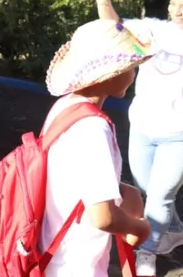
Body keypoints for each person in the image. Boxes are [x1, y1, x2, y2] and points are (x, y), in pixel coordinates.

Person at [41, 19, 153, 276]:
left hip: (51, 251)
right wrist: (139, 228)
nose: (133, 73)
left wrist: (123, 191)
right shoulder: (93, 128)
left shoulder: (65, 107)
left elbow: (71, 174)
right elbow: (104, 217)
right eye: (130, 67)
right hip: (76, 265)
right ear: (110, 73)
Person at [96, 0, 183, 275]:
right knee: (146, 188)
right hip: (143, 128)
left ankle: (147, 252)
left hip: (178, 135)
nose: (178, 11)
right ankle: (175, 230)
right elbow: (114, 27)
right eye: (174, 4)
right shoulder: (153, 30)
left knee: (160, 196)